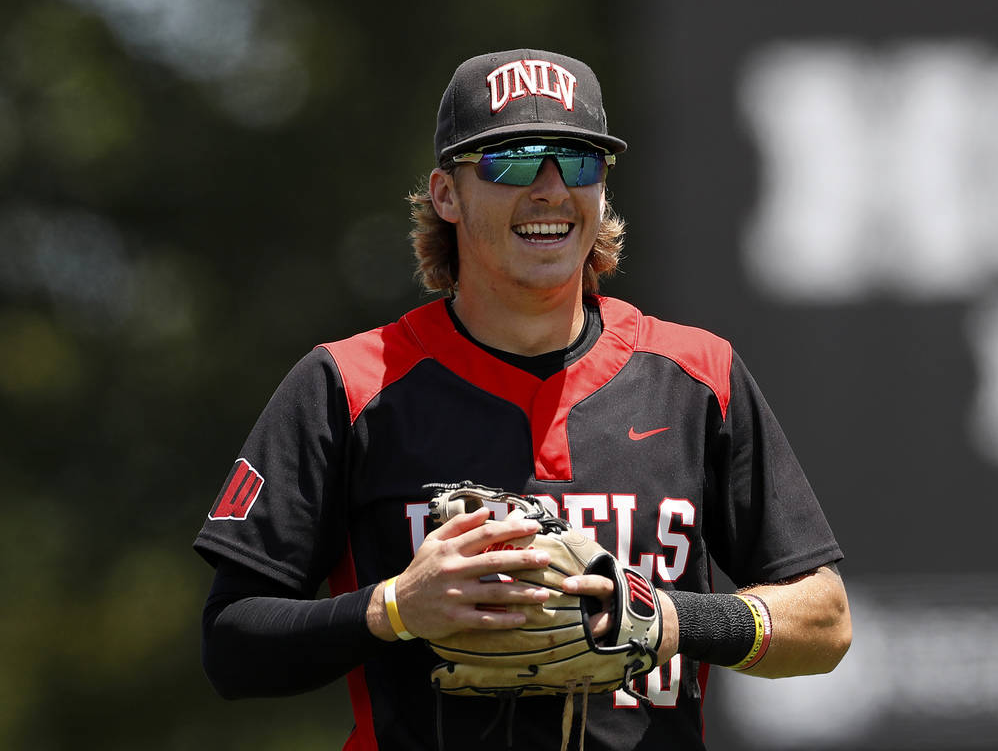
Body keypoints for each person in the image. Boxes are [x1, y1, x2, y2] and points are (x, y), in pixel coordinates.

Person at [194, 48, 852, 751]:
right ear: (446, 194)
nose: (549, 191)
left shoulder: (696, 374)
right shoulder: (351, 384)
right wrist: (392, 609)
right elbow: (233, 644)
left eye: (578, 162)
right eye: (512, 161)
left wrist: (673, 622)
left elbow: (826, 622)